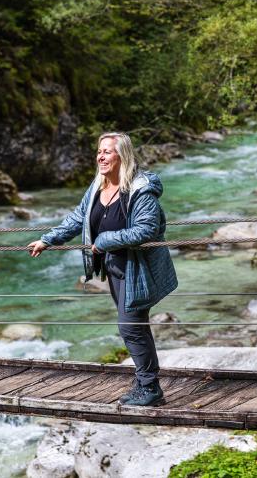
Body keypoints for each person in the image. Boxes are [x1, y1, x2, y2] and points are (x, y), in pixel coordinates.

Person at [28, 132, 177, 407]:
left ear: (123, 156)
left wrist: (105, 241)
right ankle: (143, 383)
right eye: (99, 151)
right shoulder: (98, 185)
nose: (100, 156)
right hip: (113, 268)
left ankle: (151, 388)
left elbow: (145, 230)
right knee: (134, 328)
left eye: (107, 151)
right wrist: (48, 239)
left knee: (131, 328)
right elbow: (78, 218)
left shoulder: (140, 189)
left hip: (136, 269)